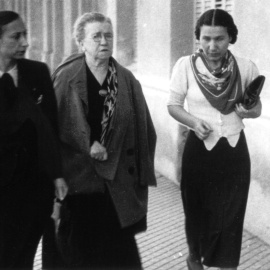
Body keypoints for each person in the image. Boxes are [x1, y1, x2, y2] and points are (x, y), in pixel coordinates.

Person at [42, 12, 156, 269]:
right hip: (79, 180)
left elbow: (144, 129)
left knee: (119, 255)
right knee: (78, 254)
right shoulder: (67, 77)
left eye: (109, 35)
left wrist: (139, 174)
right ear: (81, 42)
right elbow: (52, 126)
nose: (104, 41)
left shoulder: (126, 79)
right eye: (96, 36)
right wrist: (87, 143)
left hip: (115, 183)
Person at [167, 9, 262, 270]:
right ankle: (194, 257)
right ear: (198, 38)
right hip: (199, 150)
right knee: (197, 212)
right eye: (206, 38)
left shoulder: (246, 67)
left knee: (230, 217)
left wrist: (248, 111)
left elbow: (257, 108)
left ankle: (226, 265)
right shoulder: (185, 66)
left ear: (230, 37)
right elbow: (173, 105)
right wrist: (194, 122)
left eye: (219, 38)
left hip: (233, 152)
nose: (212, 46)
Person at [0, 11, 68, 269]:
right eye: (16, 36)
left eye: (25, 35)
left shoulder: (37, 72)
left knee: (23, 257)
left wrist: (57, 175)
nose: (25, 43)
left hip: (33, 188)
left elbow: (50, 128)